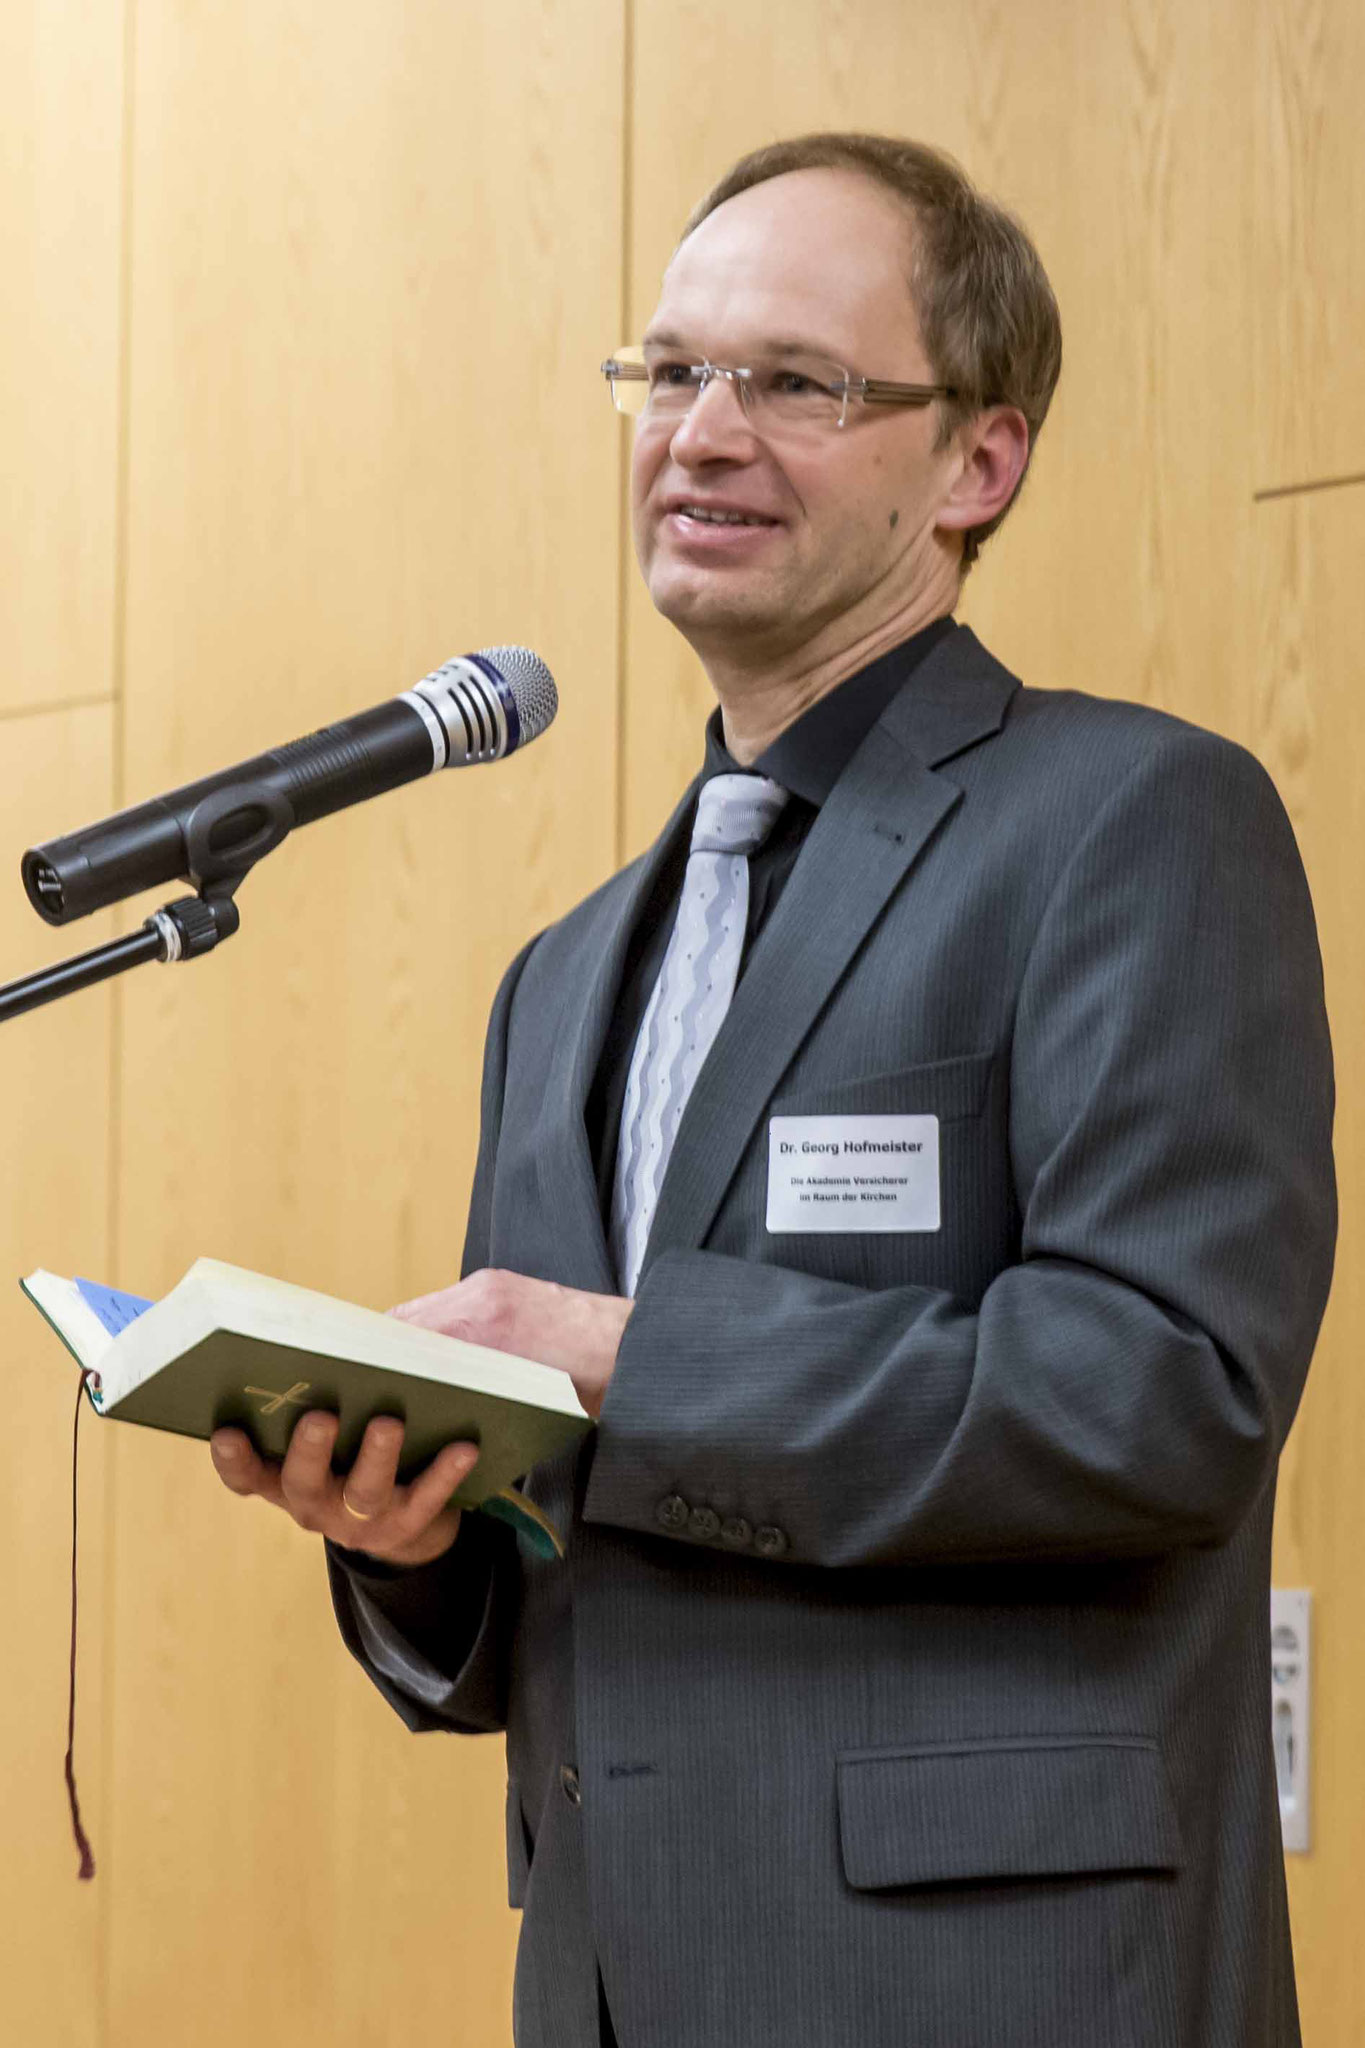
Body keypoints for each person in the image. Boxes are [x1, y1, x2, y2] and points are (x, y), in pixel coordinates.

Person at [210, 134, 1336, 2048]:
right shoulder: (559, 979)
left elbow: (1165, 1396)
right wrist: (416, 1546)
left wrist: (620, 1357)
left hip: (994, 1985)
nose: (702, 433)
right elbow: (577, 1537)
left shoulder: (1134, 820)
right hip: (611, 1981)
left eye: (793, 383)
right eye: (670, 373)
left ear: (978, 462)